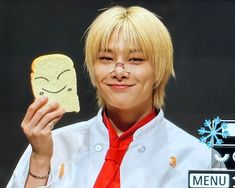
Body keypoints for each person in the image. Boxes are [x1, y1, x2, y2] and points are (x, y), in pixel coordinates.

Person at [7, 5, 221, 188]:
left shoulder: (199, 159)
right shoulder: (54, 146)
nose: (119, 72)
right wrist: (40, 158)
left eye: (136, 59)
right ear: (92, 68)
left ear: (159, 69)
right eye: (106, 58)